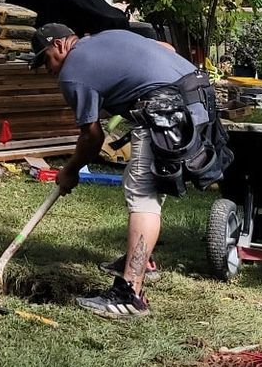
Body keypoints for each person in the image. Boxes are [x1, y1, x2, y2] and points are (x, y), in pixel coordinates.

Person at [31, 23, 231, 318]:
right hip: (198, 95)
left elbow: (92, 136)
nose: (47, 69)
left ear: (59, 45)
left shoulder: (73, 72)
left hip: (165, 109)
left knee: (142, 195)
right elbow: (167, 50)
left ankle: (129, 293)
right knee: (138, 181)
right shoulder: (106, 37)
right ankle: (141, 261)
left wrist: (70, 170)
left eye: (45, 59)